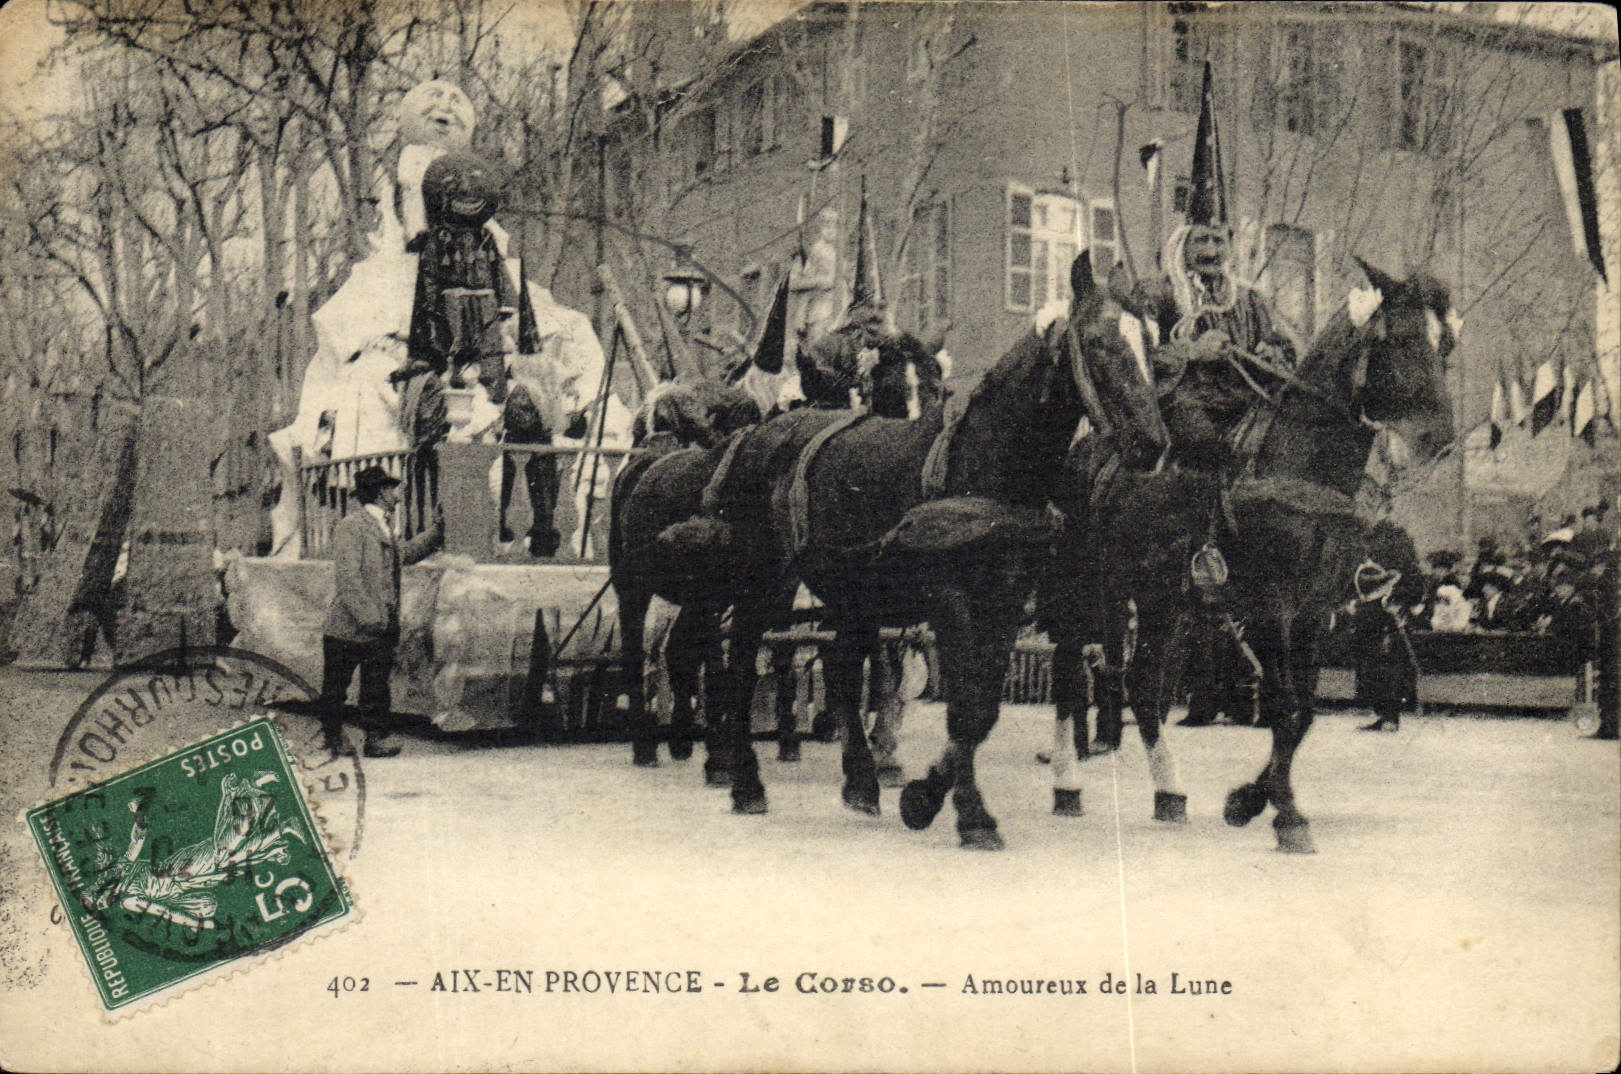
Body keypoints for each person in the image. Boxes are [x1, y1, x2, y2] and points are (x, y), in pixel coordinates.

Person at [320, 465, 442, 757]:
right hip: (348, 627)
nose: (398, 495)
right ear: (382, 492)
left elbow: (406, 554)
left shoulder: (384, 526)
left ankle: (374, 740)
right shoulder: (352, 526)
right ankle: (333, 738)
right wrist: (371, 617)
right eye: (394, 489)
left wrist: (438, 531)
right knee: (337, 688)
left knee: (376, 689)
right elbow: (349, 580)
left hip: (379, 626)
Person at [1350, 563, 1418, 732]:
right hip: (1372, 646)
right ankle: (1382, 716)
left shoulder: (1384, 604)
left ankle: (1390, 718)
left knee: (1388, 680)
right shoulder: (1369, 605)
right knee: (1373, 680)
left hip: (1386, 647)